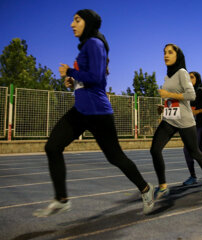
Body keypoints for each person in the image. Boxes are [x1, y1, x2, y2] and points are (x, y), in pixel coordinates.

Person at [33, 9, 154, 217]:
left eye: (77, 20)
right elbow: (86, 78)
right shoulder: (86, 48)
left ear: (88, 23)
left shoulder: (94, 44)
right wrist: (73, 82)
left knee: (115, 157)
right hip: (81, 110)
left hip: (98, 112)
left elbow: (96, 77)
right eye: (72, 20)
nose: (72, 24)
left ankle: (146, 188)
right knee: (52, 147)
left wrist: (70, 72)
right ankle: (62, 199)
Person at [150, 44, 202, 198]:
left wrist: (167, 93)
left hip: (185, 120)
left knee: (195, 153)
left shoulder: (182, 72)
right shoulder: (168, 76)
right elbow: (173, 98)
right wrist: (164, 107)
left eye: (170, 52)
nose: (166, 55)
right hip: (170, 119)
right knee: (154, 149)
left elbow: (191, 95)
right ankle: (163, 186)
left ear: (177, 56)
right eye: (164, 53)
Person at [182, 72, 202, 186]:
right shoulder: (186, 93)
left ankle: (199, 176)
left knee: (193, 151)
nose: (189, 79)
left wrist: (198, 112)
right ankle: (193, 176)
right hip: (189, 126)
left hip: (200, 126)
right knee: (195, 152)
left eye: (192, 77)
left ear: (197, 79)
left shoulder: (201, 92)